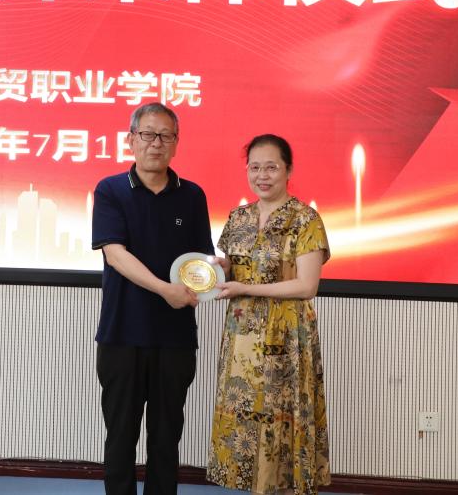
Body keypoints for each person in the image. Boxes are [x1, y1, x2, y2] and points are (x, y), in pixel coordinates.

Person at [92, 102, 215, 495]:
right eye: (147, 134)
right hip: (121, 335)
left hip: (174, 338)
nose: (156, 143)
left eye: (165, 135)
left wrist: (217, 272)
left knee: (166, 438)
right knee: (120, 435)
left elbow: (201, 260)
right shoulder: (110, 190)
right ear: (131, 139)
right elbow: (115, 254)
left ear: (176, 143)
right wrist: (165, 289)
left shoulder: (192, 195)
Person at [207, 134, 331, 495]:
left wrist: (246, 287)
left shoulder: (305, 219)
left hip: (287, 336)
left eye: (271, 167)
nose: (262, 175)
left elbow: (306, 286)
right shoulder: (239, 217)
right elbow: (234, 268)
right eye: (255, 167)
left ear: (288, 170)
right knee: (246, 416)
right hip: (242, 336)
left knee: (283, 415)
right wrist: (219, 268)